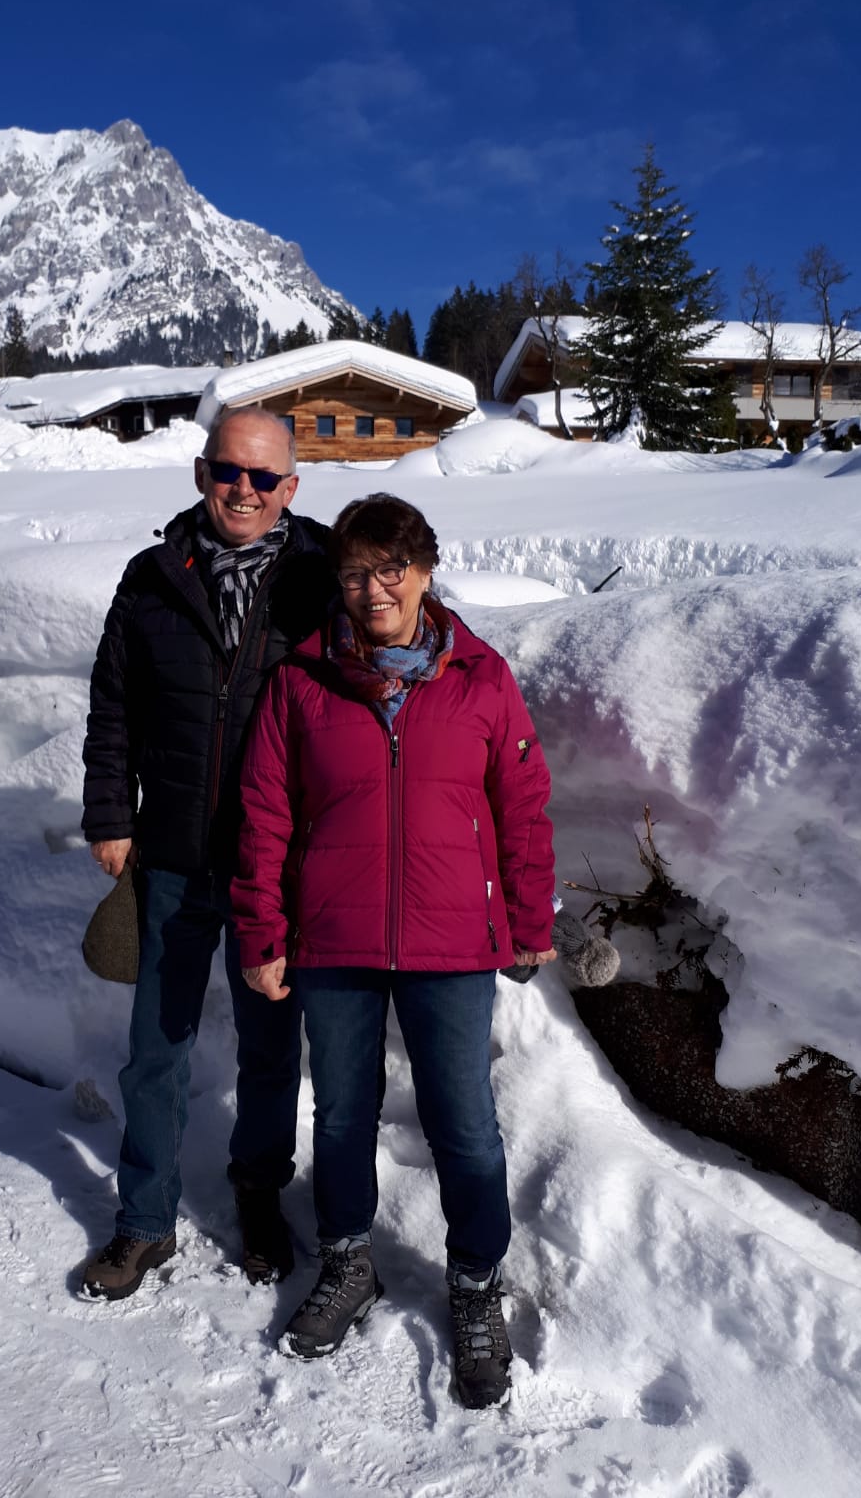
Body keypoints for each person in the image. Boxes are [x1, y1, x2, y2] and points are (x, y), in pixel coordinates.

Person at [232, 494, 555, 1409]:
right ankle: (347, 1262)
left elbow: (522, 804)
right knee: (341, 1115)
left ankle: (476, 1284)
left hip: (452, 941)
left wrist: (530, 918)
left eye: (391, 569)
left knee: (465, 1122)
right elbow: (264, 815)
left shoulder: (480, 676)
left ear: (424, 571)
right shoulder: (302, 681)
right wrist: (261, 931)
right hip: (333, 939)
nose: (373, 590)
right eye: (354, 573)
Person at [80, 406, 336, 1300]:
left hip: (276, 865)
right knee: (156, 1047)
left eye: (264, 477)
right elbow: (113, 704)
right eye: (230, 470)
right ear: (201, 473)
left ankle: (259, 1193)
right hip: (174, 854)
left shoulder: (322, 579)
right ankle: (144, 1218)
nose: (244, 490)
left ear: (290, 488)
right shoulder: (153, 577)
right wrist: (109, 814)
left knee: (269, 1047)